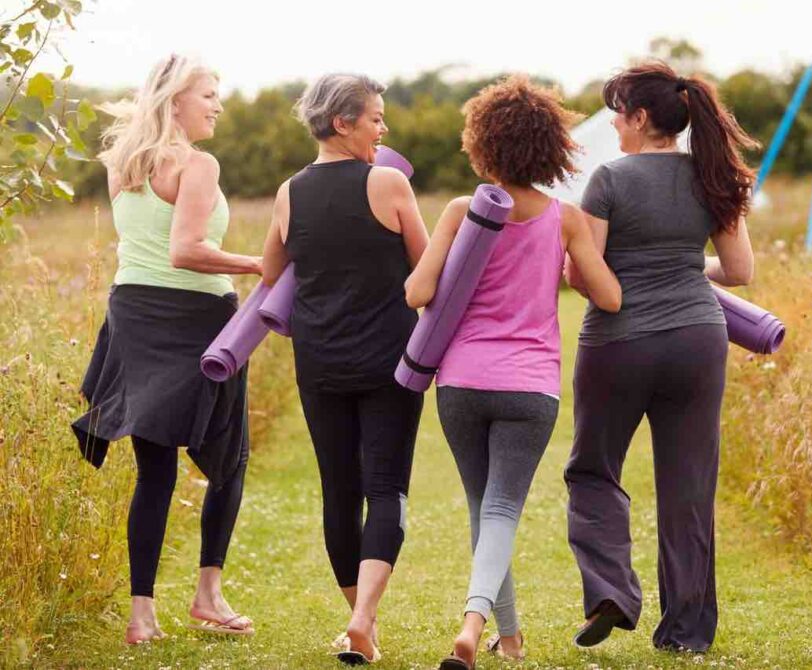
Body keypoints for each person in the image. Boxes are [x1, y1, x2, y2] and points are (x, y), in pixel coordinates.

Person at [404, 75, 622, 670]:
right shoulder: (567, 219)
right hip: (530, 386)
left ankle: (511, 638)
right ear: (552, 148)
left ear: (481, 143)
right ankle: (475, 624)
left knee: (483, 509)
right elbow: (608, 298)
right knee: (500, 511)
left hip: (461, 382)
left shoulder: (461, 211)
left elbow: (416, 291)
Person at [563, 60, 757, 654]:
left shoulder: (610, 179)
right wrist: (682, 265)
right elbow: (741, 271)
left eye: (619, 114)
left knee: (593, 470)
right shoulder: (712, 177)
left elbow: (585, 275)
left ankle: (613, 592)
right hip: (699, 338)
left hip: (620, 341)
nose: (615, 126)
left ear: (641, 118)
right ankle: (686, 634)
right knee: (688, 486)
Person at [72, 54, 261, 644]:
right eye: (209, 94)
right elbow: (184, 250)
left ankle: (141, 616)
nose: (219, 106)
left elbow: (147, 247)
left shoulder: (122, 164)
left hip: (133, 313)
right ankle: (207, 595)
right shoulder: (198, 164)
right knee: (230, 457)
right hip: (198, 317)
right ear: (176, 99)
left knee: (154, 471)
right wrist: (259, 264)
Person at [261, 72, 429, 665]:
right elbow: (426, 273)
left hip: (319, 360)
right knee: (386, 488)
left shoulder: (288, 192)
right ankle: (363, 621)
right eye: (376, 118)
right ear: (343, 122)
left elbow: (272, 272)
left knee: (340, 489)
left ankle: (360, 625)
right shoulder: (388, 183)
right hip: (391, 362)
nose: (384, 129)